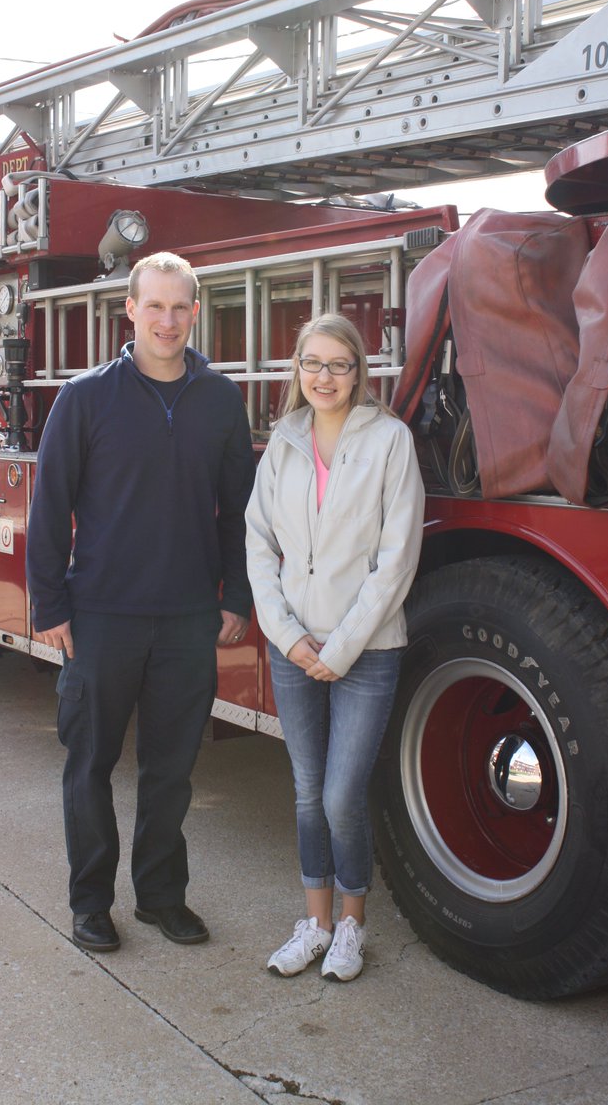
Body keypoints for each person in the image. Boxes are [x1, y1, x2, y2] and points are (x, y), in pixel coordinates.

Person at [26, 251, 255, 953]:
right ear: (129, 310)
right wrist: (50, 606)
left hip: (188, 618)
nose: (166, 319)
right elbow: (48, 505)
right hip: (101, 617)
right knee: (89, 766)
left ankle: (161, 897)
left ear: (195, 312)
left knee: (170, 771)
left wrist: (236, 594)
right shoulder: (86, 397)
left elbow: (238, 511)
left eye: (179, 306)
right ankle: (91, 903)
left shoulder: (220, 400)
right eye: (153, 305)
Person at [245, 313, 424, 982]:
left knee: (342, 795)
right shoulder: (283, 441)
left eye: (338, 365)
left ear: (358, 372)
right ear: (297, 369)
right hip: (294, 648)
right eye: (312, 363)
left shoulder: (390, 441)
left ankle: (352, 924)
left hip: (368, 651)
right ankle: (314, 924)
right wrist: (289, 637)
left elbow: (397, 558)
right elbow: (258, 543)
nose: (324, 377)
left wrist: (340, 648)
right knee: (306, 792)